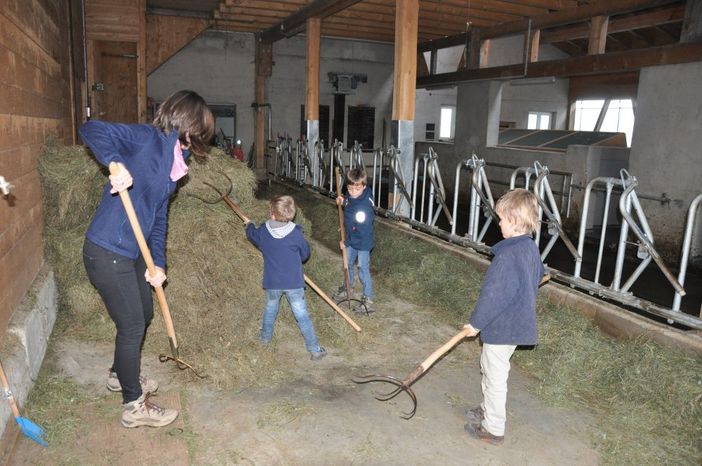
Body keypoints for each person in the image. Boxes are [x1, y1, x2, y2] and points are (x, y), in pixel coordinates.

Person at [80, 90, 214, 428]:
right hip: (107, 250)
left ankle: (118, 375)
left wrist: (158, 263)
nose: (200, 140)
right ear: (187, 124)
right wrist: (113, 162)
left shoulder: (173, 163)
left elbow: (159, 220)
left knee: (144, 311)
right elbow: (91, 129)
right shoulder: (146, 139)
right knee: (132, 325)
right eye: (200, 130)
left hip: (134, 251)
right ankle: (134, 405)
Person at [462, 188, 544, 446]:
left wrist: (475, 324)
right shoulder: (529, 247)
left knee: (495, 376)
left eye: (502, 219)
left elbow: (493, 296)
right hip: (517, 323)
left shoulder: (507, 256)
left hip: (503, 326)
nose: (498, 223)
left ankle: (493, 428)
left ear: (516, 222)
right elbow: (540, 274)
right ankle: (487, 408)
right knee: (489, 368)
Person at [243, 195, 327, 361]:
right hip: (293, 282)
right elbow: (305, 254)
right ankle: (315, 349)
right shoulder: (296, 234)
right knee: (301, 314)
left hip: (272, 282)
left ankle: (264, 340)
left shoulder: (263, 231)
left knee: (270, 309)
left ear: (272, 214)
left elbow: (252, 236)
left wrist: (249, 225)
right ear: (292, 214)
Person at [332, 168, 376, 312]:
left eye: (356, 190)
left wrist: (346, 242)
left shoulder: (364, 208)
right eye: (349, 189)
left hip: (362, 242)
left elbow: (361, 232)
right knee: (348, 263)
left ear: (363, 186)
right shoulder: (355, 196)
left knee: (363, 269)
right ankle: (347, 288)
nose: (352, 193)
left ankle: (368, 299)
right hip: (352, 237)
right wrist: (343, 200)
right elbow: (351, 202)